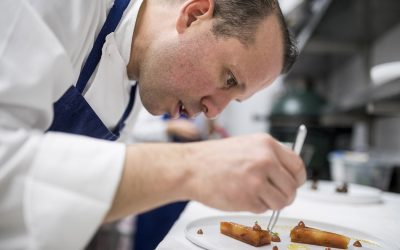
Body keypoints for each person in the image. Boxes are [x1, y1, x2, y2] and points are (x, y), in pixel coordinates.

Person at [0, 0, 305, 249]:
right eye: (229, 79)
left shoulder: (134, 91)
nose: (213, 112)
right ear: (194, 14)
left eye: (235, 98)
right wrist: (193, 167)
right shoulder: (54, 7)